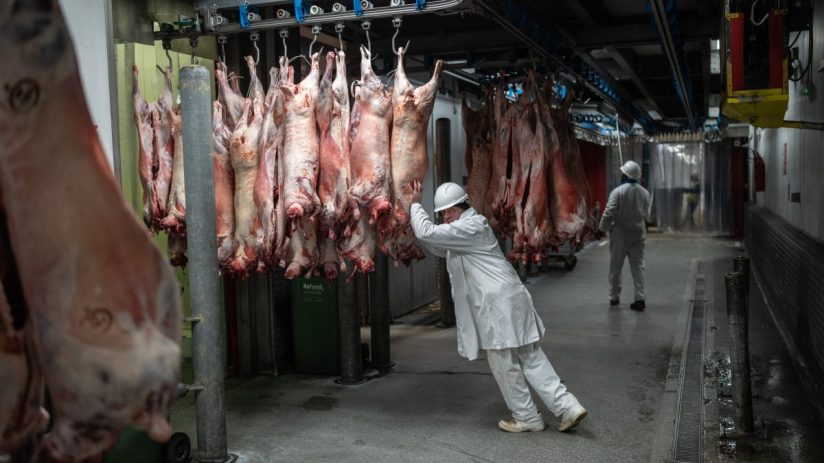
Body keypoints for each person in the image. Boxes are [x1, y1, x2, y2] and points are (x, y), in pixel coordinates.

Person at [409, 180, 587, 433]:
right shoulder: (467, 228)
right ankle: (568, 407)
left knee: (504, 363)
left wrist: (415, 205)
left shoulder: (470, 226)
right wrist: (417, 224)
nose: (447, 216)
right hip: (509, 301)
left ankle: (527, 417)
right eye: (443, 213)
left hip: (499, 307)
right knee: (531, 356)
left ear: (463, 206)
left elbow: (428, 233)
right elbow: (437, 244)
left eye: (451, 210)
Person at [599, 160, 651, 311]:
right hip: (638, 231)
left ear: (625, 175)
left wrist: (601, 228)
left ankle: (614, 297)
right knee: (638, 267)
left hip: (620, 232)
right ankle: (640, 298)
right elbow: (646, 214)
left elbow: (609, 212)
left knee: (616, 266)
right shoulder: (645, 192)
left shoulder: (618, 192)